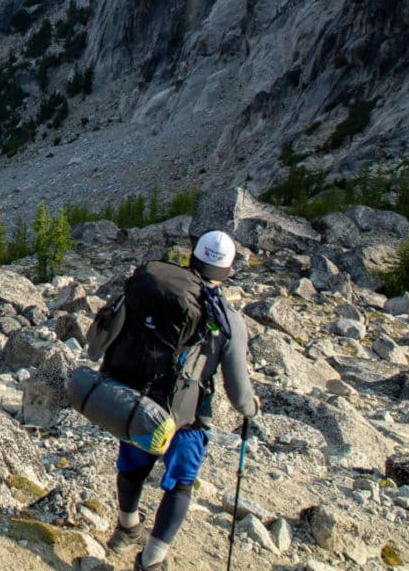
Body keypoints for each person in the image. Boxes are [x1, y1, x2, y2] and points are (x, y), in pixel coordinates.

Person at [86, 230, 259, 569]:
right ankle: (151, 561)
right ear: (227, 271)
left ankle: (127, 527)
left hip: (138, 400)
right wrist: (249, 409)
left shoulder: (151, 288)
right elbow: (238, 391)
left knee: (133, 467)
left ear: (193, 257)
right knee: (180, 484)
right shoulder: (228, 320)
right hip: (187, 417)